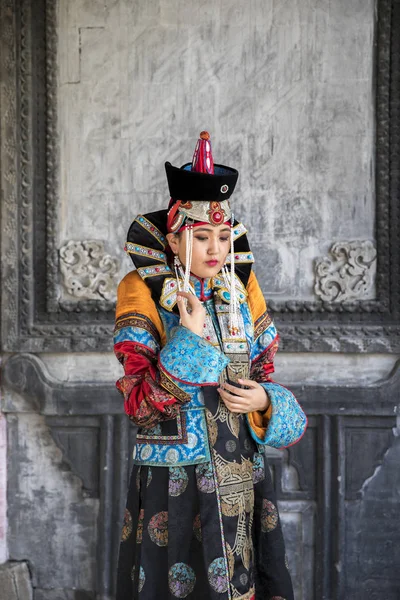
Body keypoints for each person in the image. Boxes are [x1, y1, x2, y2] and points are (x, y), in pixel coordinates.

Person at [114, 132, 307, 600]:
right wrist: (190, 337)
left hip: (243, 472)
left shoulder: (242, 290)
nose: (215, 249)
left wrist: (264, 400)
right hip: (176, 482)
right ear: (176, 238)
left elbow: (264, 375)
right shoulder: (140, 289)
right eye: (201, 237)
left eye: (223, 236)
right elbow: (139, 404)